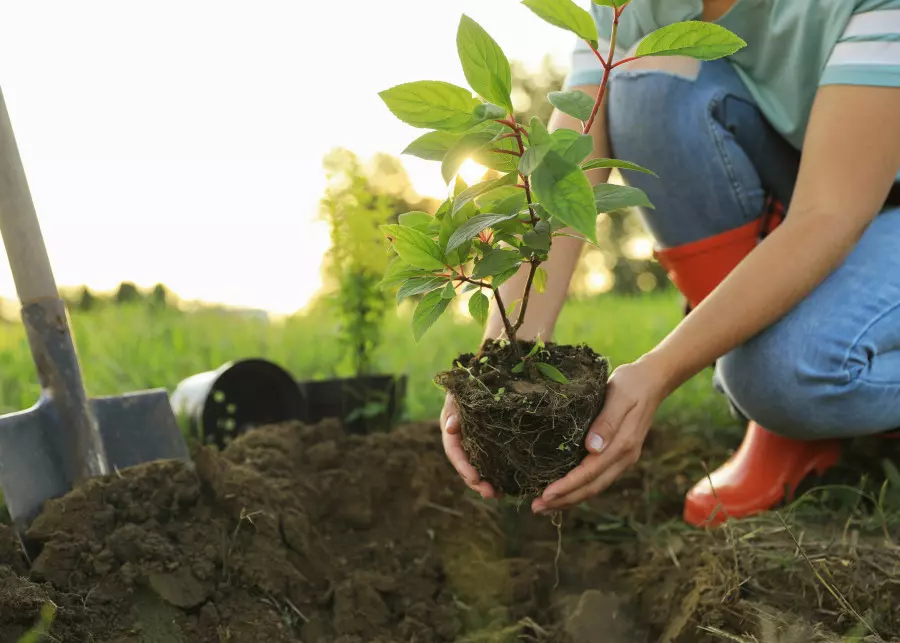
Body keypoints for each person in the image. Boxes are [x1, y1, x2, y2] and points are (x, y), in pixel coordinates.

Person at [439, 0, 900, 526]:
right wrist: (498, 360)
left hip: (871, 200)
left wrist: (658, 373)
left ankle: (792, 411)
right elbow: (565, 173)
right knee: (642, 84)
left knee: (784, 374)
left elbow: (828, 212)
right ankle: (777, 418)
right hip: (812, 177)